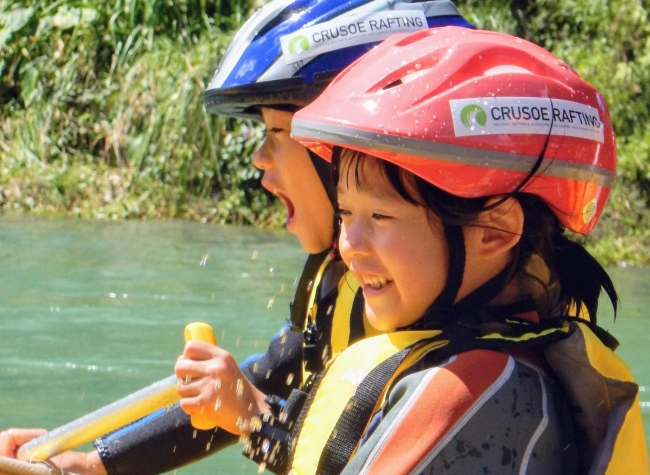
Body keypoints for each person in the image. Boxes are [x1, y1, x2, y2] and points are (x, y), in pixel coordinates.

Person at [0, 2, 475, 474]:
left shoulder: (452, 343)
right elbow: (263, 382)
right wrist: (87, 463)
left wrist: (253, 419)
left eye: (275, 130)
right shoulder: (340, 282)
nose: (259, 160)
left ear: (349, 149)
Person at [245, 27, 648, 474]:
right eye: (345, 215)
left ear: (494, 230)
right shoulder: (496, 362)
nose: (349, 246)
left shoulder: (471, 388)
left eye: (380, 217)